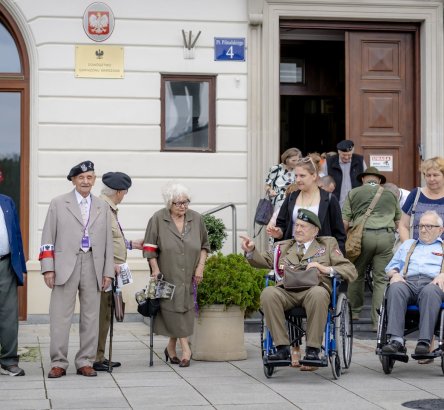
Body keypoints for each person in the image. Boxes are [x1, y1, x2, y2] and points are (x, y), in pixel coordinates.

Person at [241, 209, 357, 362]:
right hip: (287, 291)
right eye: (296, 225)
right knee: (268, 293)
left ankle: (313, 350)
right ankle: (282, 348)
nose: (298, 229)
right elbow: (262, 260)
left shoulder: (327, 245)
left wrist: (325, 269)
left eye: (303, 226)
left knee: (318, 294)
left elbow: (350, 270)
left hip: (314, 290)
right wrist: (251, 250)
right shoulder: (283, 246)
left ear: (315, 231)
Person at [40, 160, 114, 378]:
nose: (85, 181)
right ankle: (58, 362)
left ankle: (85, 361)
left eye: (89, 177)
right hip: (64, 266)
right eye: (81, 177)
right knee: (60, 316)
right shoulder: (58, 203)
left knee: (91, 316)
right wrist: (48, 268)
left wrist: (108, 271)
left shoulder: (102, 206)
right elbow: (47, 237)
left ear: (94, 180)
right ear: (73, 180)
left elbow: (109, 242)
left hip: (93, 264)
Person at [143, 182, 210, 367]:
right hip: (168, 273)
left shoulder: (196, 219)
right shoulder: (158, 218)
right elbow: (149, 247)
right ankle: (186, 349)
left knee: (184, 309)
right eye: (178, 203)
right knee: (173, 310)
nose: (183, 206)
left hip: (190, 274)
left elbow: (204, 246)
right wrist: (155, 269)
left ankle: (171, 348)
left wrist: (200, 268)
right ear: (169, 203)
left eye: (185, 202)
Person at [93, 172, 143, 372]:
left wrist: (130, 244)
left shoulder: (109, 208)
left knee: (106, 314)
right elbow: (97, 241)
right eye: (125, 192)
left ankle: (99, 355)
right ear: (119, 192)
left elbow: (112, 238)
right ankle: (94, 357)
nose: (124, 196)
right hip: (105, 273)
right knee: (101, 315)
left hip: (110, 272)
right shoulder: (102, 208)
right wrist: (108, 264)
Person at [342, 167, 401, 328]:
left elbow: (345, 222)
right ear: (379, 180)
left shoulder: (353, 193)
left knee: (356, 274)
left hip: (362, 237)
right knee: (381, 279)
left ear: (363, 179)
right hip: (385, 237)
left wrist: (344, 241)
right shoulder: (390, 194)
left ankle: (354, 312)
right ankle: (377, 322)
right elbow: (398, 221)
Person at [382, 211, 444, 355]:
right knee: (395, 288)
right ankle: (396, 341)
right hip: (408, 282)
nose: (423, 230)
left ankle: (424, 341)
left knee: (430, 291)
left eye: (428, 226)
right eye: (420, 226)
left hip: (432, 284)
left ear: (440, 230)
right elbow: (390, 268)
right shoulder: (408, 245)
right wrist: (394, 274)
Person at [267, 154, 346, 253]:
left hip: (321, 254)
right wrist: (278, 232)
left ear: (314, 176)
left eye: (302, 176)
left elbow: (339, 233)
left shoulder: (329, 199)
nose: (298, 180)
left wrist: (338, 255)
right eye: (296, 175)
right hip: (292, 253)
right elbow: (281, 224)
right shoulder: (291, 197)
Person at [0, 194, 27, 376]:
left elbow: (16, 235)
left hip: (6, 264)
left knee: (9, 315)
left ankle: (8, 361)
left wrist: (21, 266)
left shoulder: (7, 201)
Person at [399, 157, 444, 242]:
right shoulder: (416, 194)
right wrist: (408, 246)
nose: (431, 179)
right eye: (428, 175)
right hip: (416, 249)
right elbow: (403, 225)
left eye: (435, 175)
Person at [322, 140, 367, 208]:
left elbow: (366, 180)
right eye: (344, 155)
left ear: (352, 152)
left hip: (356, 203)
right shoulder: (329, 162)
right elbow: (323, 182)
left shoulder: (360, 160)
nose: (346, 157)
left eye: (349, 155)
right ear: (339, 152)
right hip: (335, 203)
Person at [265, 147, 302, 212]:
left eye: (298, 160)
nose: (296, 163)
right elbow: (267, 185)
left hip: (293, 202)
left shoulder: (298, 170)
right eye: (293, 160)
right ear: (286, 159)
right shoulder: (276, 169)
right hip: (277, 203)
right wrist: (270, 190)